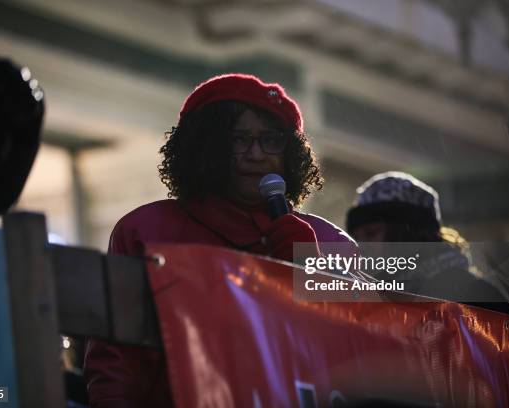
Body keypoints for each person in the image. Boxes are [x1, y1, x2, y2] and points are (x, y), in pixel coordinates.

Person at [84, 73, 356, 407]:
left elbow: (367, 359)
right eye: (238, 139)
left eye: (271, 139)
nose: (256, 153)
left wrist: (315, 275)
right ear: (205, 146)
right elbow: (115, 364)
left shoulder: (330, 242)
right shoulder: (146, 229)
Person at [345, 171, 509, 315]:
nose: (361, 246)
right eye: (356, 238)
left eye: (371, 233)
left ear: (409, 232)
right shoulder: (372, 302)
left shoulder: (473, 295)